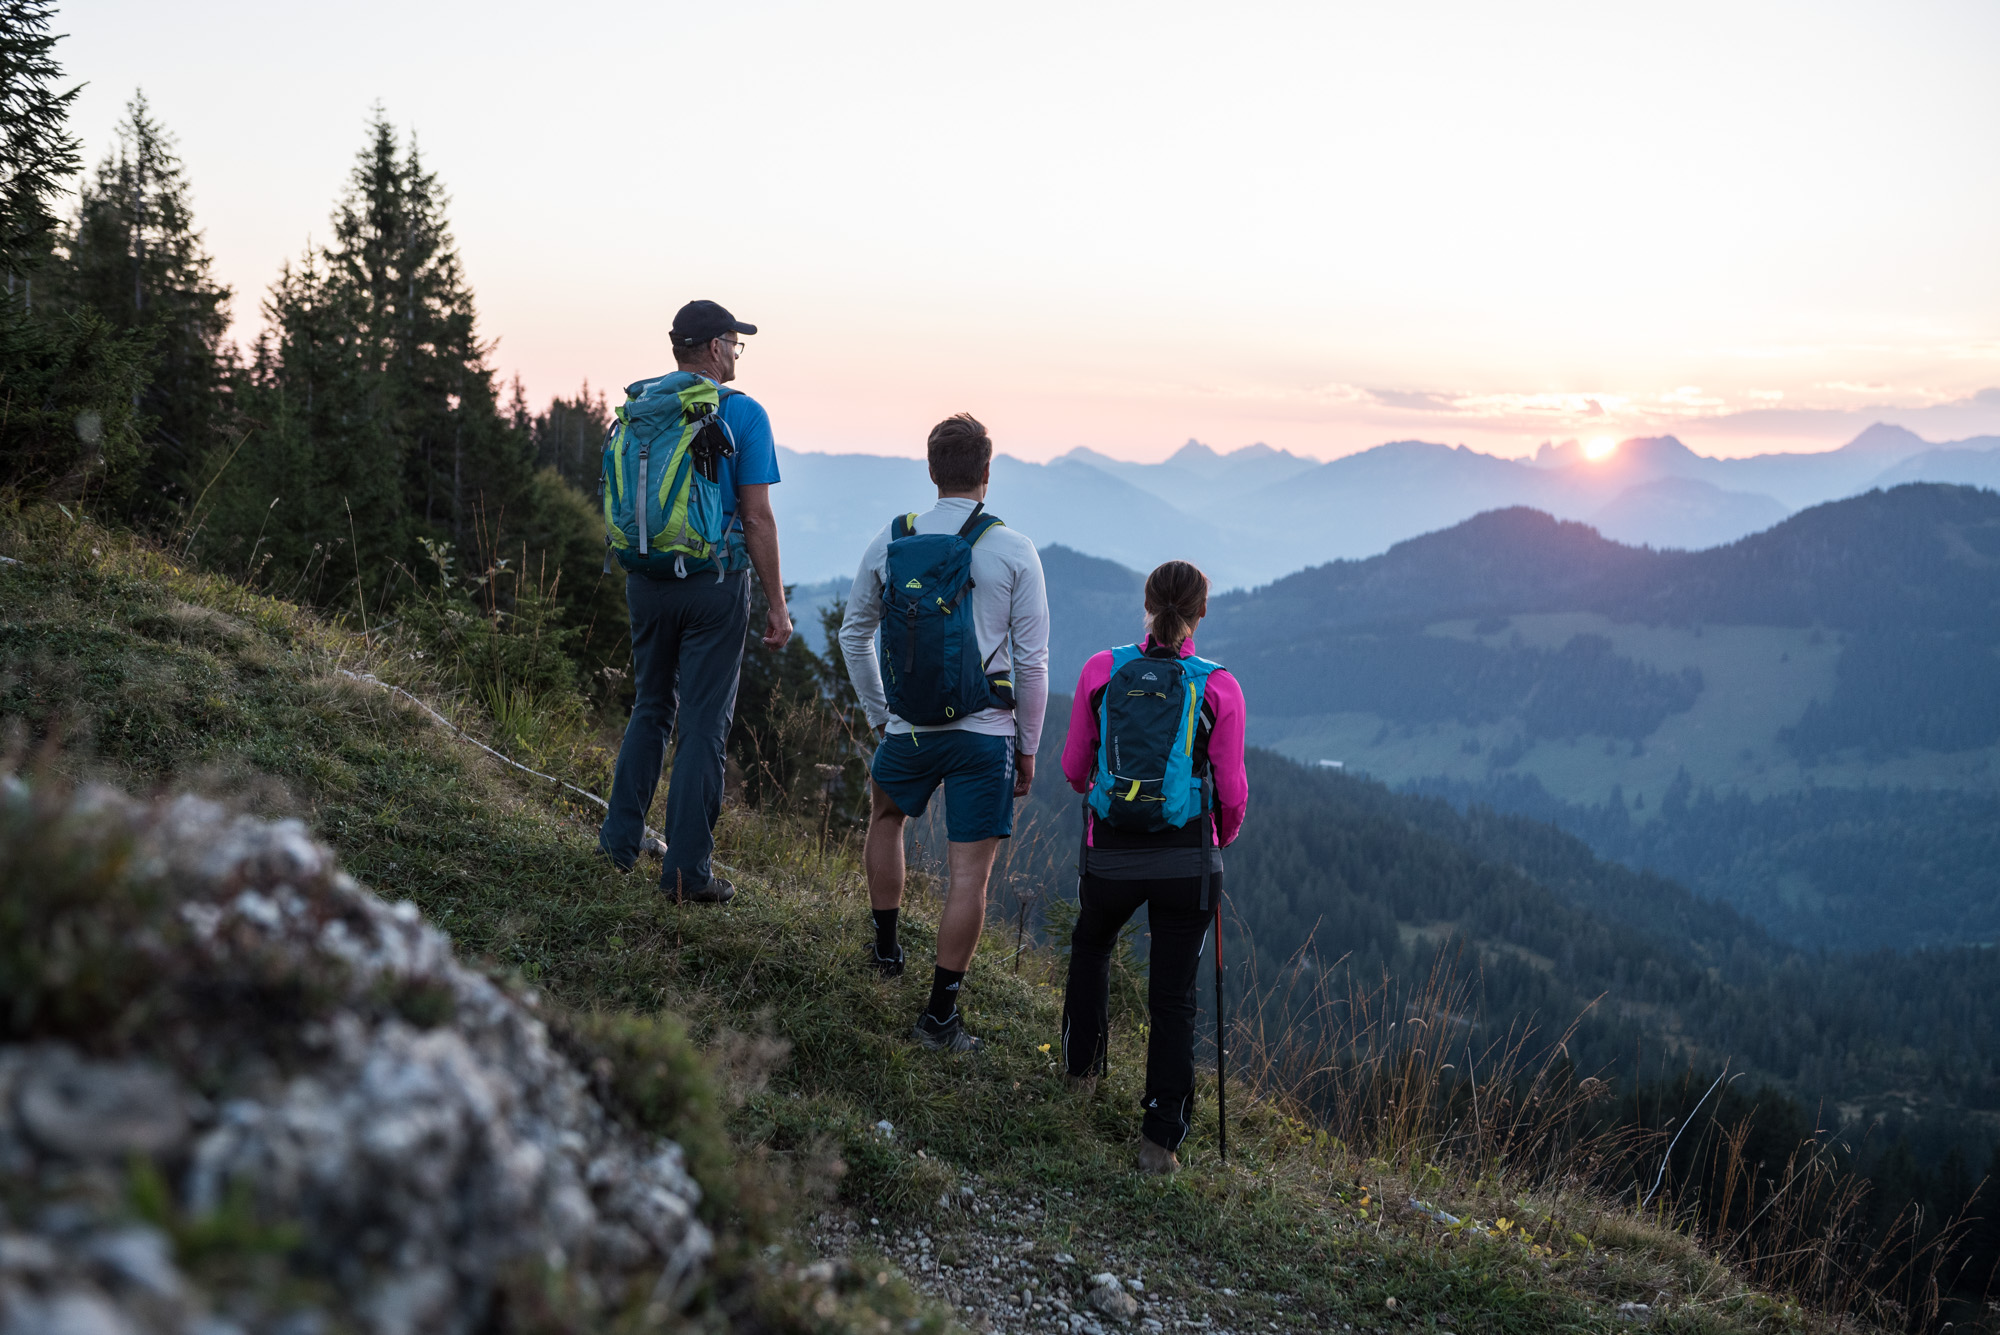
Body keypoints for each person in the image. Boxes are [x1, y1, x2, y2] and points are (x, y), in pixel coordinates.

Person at [838, 413, 1050, 1053]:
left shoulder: (891, 540)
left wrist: (882, 715)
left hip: (908, 729)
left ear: (932, 473)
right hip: (985, 731)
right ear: (987, 473)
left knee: (886, 819)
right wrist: (1028, 747)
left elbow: (854, 634)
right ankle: (939, 1018)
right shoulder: (1013, 549)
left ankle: (884, 950)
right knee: (969, 878)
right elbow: (1034, 663)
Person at [598, 299, 792, 902]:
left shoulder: (645, 407)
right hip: (713, 583)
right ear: (712, 347)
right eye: (734, 343)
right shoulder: (743, 413)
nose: (736, 353)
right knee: (705, 725)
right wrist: (777, 606)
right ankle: (686, 874)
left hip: (645, 577)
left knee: (651, 708)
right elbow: (757, 519)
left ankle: (618, 846)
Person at [1058, 559, 1248, 1174]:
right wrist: (1220, 834)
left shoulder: (1102, 670)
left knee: (1091, 948)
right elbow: (1233, 790)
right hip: (1185, 859)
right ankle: (1159, 1142)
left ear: (1145, 604)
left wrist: (1109, 796)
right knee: (1173, 996)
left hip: (1111, 850)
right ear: (1200, 614)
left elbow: (1073, 769)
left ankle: (1081, 1076)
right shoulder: (1218, 686)